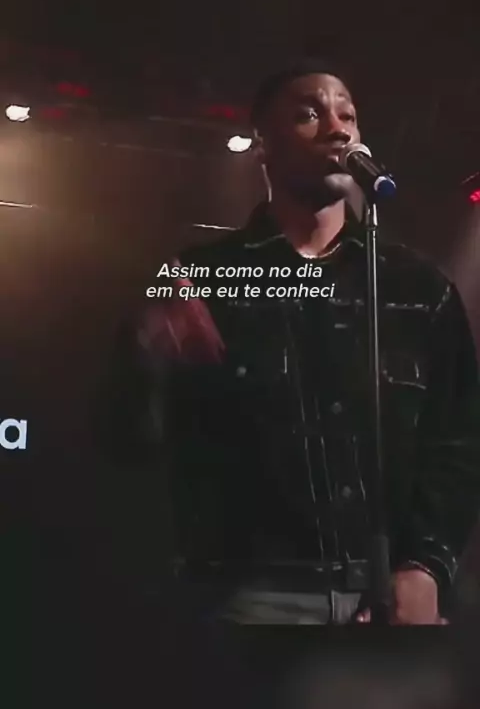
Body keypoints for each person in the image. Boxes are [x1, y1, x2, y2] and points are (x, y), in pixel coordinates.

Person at [100, 58, 480, 625]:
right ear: (263, 145)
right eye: (310, 114)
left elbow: (460, 440)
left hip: (389, 600)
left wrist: (426, 566)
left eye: (347, 115)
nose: (337, 129)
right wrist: (146, 357)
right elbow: (123, 443)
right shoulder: (200, 277)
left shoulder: (419, 288)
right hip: (248, 597)